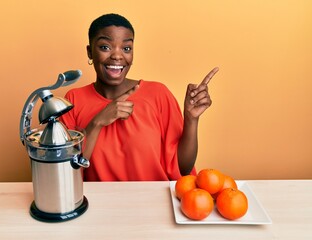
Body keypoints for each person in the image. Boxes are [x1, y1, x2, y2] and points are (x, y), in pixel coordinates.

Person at [60, 13, 218, 181]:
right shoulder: (73, 100)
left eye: (126, 48)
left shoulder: (158, 94)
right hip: (100, 204)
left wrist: (191, 119)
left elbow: (183, 168)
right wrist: (98, 122)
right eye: (105, 47)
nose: (117, 56)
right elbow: (67, 171)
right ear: (90, 52)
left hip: (155, 201)